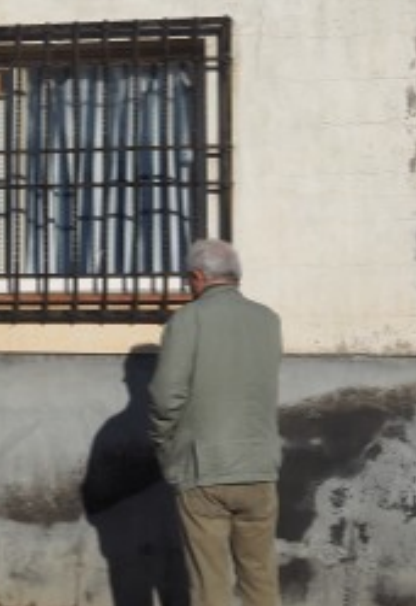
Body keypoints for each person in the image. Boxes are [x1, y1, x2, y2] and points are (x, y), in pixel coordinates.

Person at [148, 239, 283, 606]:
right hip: (260, 466)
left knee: (210, 584)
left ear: (198, 276)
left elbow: (165, 397)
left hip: (203, 468)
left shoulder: (187, 320)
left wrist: (165, 448)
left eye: (188, 280)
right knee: (261, 577)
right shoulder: (267, 320)